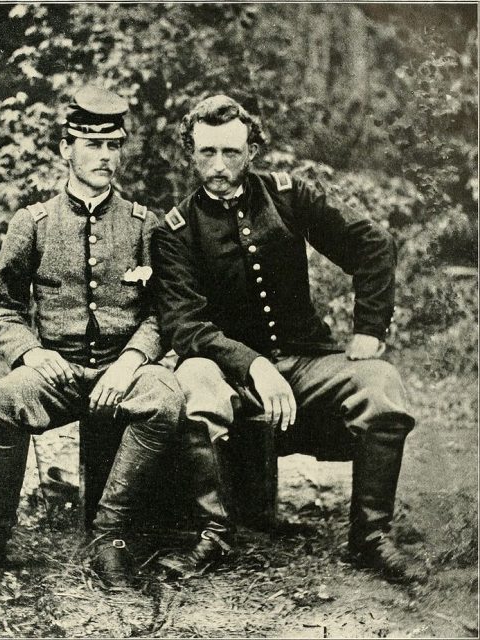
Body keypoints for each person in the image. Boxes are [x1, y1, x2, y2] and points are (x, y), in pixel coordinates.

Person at [151, 94, 419, 583]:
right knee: (193, 381)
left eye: (231, 152)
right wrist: (254, 365)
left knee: (381, 385)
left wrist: (370, 329)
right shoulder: (176, 229)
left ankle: (371, 537)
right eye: (206, 151)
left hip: (305, 362)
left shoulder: (290, 196)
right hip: (229, 373)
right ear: (190, 152)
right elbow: (183, 325)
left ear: (252, 150)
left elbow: (372, 242)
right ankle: (214, 533)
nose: (218, 165)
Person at [0, 85, 183, 588]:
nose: (105, 156)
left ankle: (108, 533)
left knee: (165, 397)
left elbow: (165, 311)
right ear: (65, 148)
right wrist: (30, 351)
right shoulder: (32, 223)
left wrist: (133, 361)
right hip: (60, 372)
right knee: (5, 401)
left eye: (113, 145)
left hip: (123, 371)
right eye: (92, 144)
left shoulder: (145, 224)